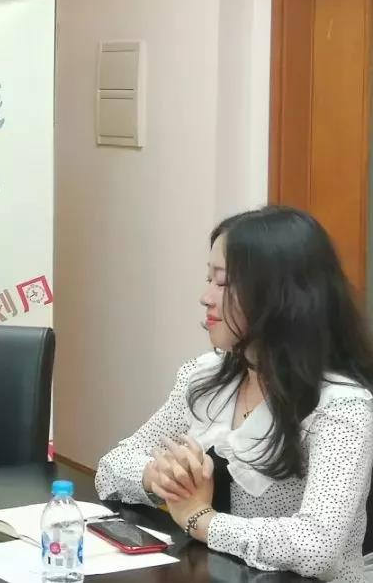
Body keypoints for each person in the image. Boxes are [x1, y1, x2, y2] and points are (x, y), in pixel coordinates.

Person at [96, 206, 373, 582]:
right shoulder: (207, 378)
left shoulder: (340, 407)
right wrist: (157, 476)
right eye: (208, 279)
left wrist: (202, 521)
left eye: (223, 283)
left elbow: (316, 546)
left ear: (280, 295)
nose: (205, 297)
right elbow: (111, 469)